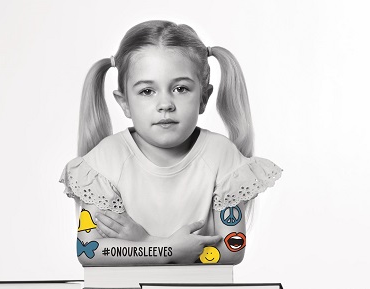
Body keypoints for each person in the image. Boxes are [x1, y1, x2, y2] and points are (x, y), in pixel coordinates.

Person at [60, 20, 282, 266]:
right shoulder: (105, 161)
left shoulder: (222, 157)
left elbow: (232, 249)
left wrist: (145, 242)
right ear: (124, 103)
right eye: (147, 91)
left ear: (203, 97)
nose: (165, 104)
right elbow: (89, 251)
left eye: (180, 88)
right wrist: (163, 249)